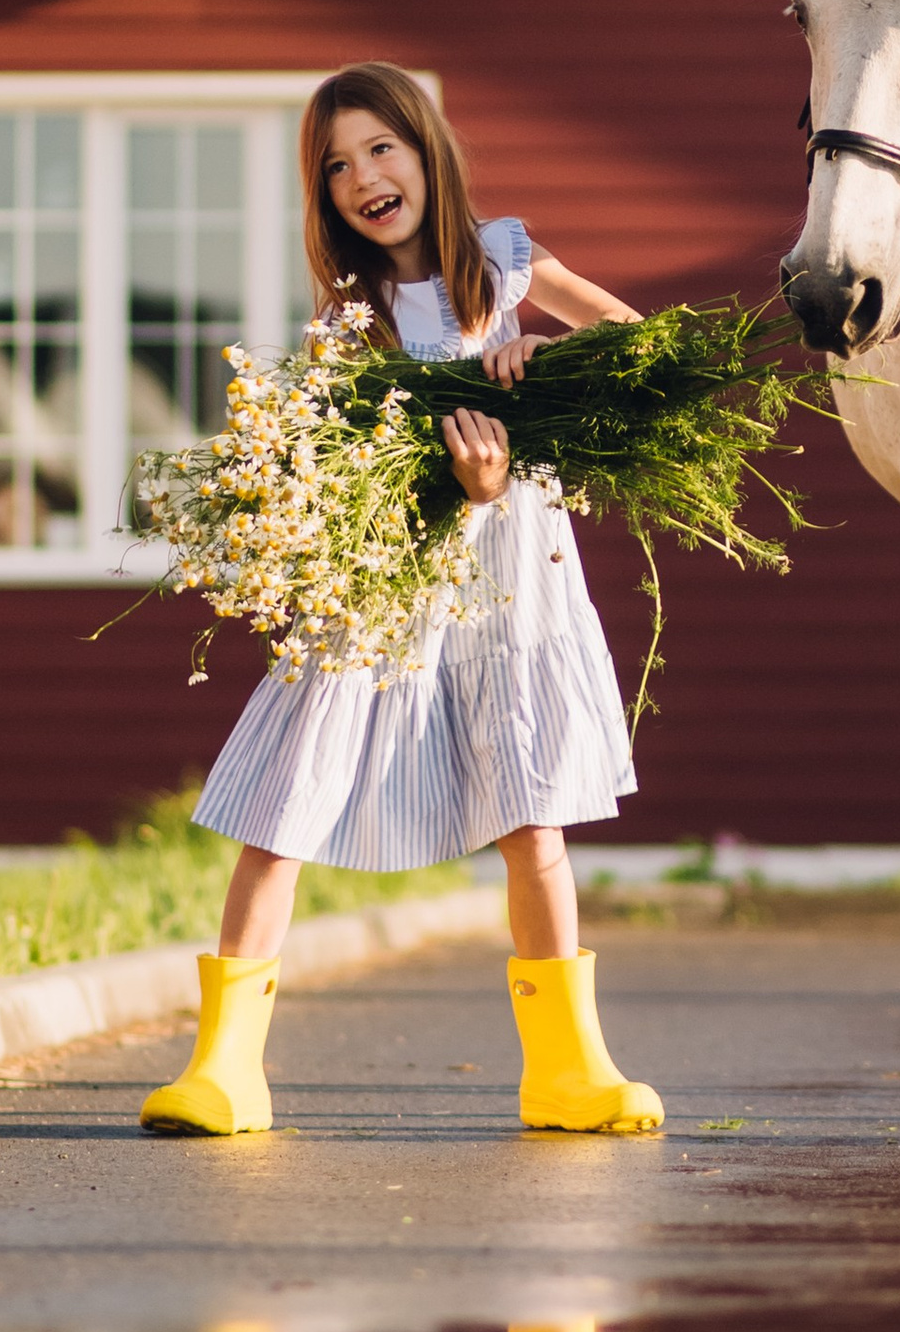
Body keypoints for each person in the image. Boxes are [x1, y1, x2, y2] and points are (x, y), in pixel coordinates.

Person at [142, 60, 660, 1139]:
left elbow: (633, 335)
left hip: (512, 585)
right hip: (395, 583)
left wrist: (546, 351)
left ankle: (568, 1070)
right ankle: (224, 1068)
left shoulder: (508, 261)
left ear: (428, 151)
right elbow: (361, 468)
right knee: (284, 804)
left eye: (381, 148)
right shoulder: (353, 316)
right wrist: (459, 488)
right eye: (337, 166)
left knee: (533, 820)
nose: (364, 177)